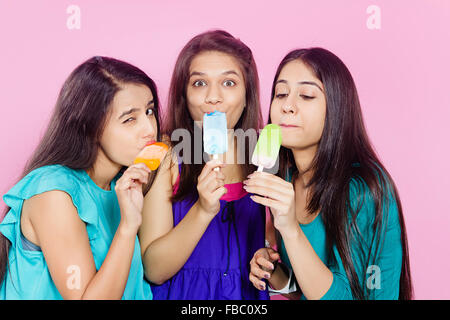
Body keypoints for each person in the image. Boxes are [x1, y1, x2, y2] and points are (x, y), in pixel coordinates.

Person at [246, 48, 413, 300]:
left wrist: (290, 230)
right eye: (281, 93)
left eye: (306, 95)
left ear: (336, 109)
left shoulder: (363, 188)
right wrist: (277, 276)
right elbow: (311, 290)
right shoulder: (286, 180)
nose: (287, 106)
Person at [0, 56, 160, 299]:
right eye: (130, 119)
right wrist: (128, 228)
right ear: (90, 127)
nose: (150, 128)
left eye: (149, 111)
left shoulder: (122, 186)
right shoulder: (53, 193)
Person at [139, 30, 269, 299]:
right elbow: (153, 269)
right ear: (184, 96)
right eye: (199, 84)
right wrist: (203, 209)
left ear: (248, 95)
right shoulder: (165, 156)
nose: (213, 97)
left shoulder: (265, 156)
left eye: (229, 83)